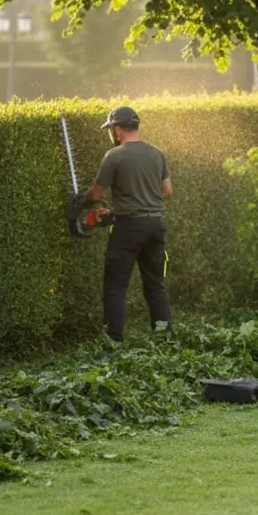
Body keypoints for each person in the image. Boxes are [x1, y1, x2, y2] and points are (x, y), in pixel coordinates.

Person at [82, 105, 173, 344]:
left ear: (117, 129)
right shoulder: (156, 153)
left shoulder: (115, 156)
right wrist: (136, 203)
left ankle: (113, 339)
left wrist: (82, 200)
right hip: (156, 224)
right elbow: (167, 191)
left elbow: (95, 194)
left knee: (116, 285)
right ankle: (164, 337)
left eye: (111, 129)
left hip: (128, 228)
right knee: (155, 284)